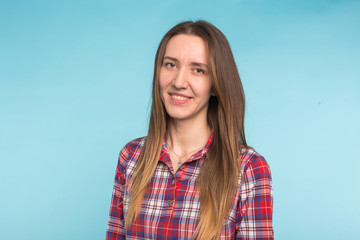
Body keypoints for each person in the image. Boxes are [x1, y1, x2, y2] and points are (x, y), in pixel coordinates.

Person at [106, 20, 273, 240]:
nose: (179, 82)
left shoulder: (248, 168)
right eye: (171, 65)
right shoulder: (131, 156)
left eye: (198, 70)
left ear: (216, 84)